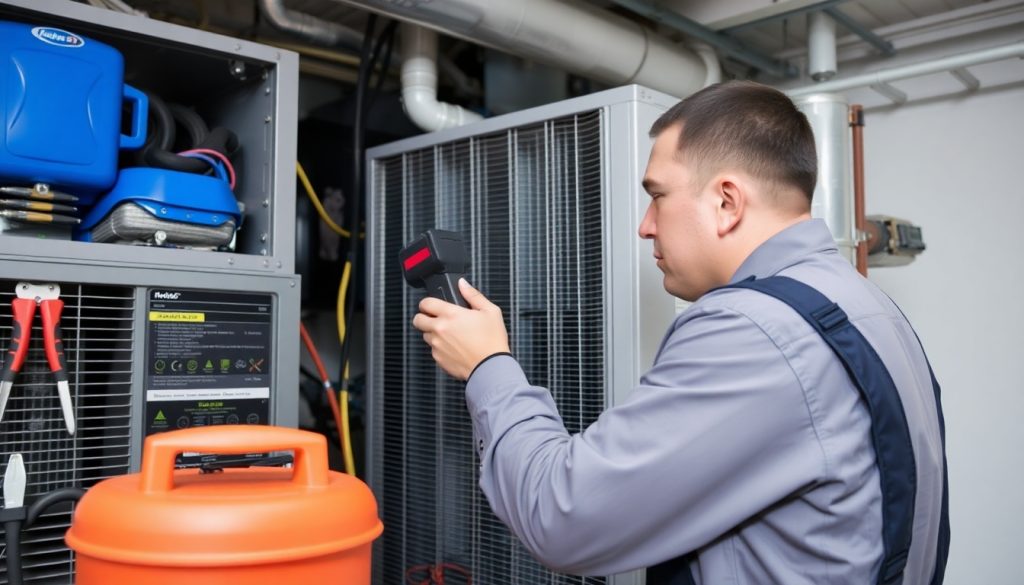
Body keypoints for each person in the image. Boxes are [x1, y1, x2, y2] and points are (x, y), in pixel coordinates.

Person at [412, 81, 948, 584]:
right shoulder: (866, 305)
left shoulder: (754, 330)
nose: (646, 224)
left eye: (658, 195)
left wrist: (488, 366)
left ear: (726, 202)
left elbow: (561, 516)